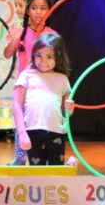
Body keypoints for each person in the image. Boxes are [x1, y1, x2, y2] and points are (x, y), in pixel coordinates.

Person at [13, 33, 75, 166]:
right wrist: (22, 134)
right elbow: (17, 105)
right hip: (32, 132)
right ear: (33, 55)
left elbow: (66, 113)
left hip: (56, 132)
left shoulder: (62, 79)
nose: (43, 61)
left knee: (56, 171)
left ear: (58, 57)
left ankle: (69, 165)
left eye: (49, 57)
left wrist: (70, 109)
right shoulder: (26, 76)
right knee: (37, 173)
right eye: (38, 55)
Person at [2, 0, 39, 165]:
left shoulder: (43, 30)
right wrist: (14, 38)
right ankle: (20, 157)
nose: (17, 9)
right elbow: (7, 54)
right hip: (22, 82)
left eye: (20, 5)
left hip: (40, 83)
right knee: (20, 120)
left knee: (38, 120)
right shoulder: (16, 28)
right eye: (16, 5)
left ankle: (38, 157)